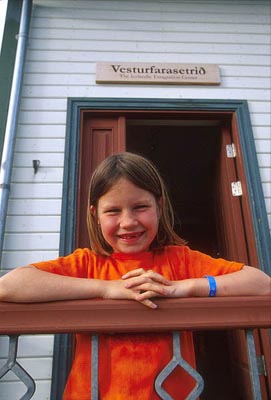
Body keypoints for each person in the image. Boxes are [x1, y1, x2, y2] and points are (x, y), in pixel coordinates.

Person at [0, 152, 270, 400]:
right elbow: (9, 285)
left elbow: (261, 283)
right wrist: (106, 289)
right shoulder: (87, 263)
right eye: (113, 211)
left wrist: (183, 288)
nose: (128, 222)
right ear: (95, 215)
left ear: (159, 206)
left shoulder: (180, 260)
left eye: (140, 207)